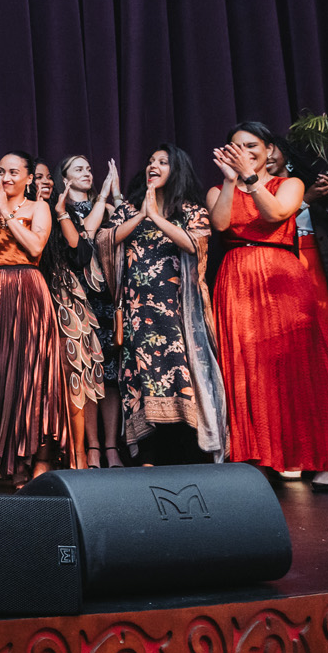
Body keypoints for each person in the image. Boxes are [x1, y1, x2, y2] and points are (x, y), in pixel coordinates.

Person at [207, 121, 328, 482]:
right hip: (237, 273)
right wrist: (232, 180)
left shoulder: (290, 184)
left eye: (252, 145)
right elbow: (221, 222)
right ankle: (262, 456)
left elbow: (276, 213)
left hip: (282, 273)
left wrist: (251, 178)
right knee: (248, 366)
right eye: (236, 146)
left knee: (297, 365)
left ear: (269, 149)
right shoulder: (217, 189)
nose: (244, 151)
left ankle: (320, 457)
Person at [111, 147, 230, 461]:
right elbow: (104, 241)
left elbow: (195, 244)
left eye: (162, 162)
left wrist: (156, 219)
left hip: (176, 310)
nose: (153, 165)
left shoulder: (190, 210)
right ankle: (148, 453)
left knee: (179, 372)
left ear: (176, 169)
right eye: (150, 161)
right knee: (140, 376)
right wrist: (141, 214)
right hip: (138, 310)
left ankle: (186, 451)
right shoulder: (128, 209)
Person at [0, 152, 74, 483]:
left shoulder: (38, 207)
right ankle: (9, 458)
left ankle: (40, 457)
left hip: (27, 289)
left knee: (31, 372)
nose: (6, 177)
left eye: (14, 172)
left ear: (29, 178)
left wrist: (7, 216)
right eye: (1, 171)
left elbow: (35, 248)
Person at [36, 163, 103, 465]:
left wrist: (61, 211)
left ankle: (79, 453)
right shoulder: (20, 212)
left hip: (65, 295)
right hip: (33, 295)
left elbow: (80, 253)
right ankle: (42, 456)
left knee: (74, 371)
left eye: (48, 176)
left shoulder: (60, 211)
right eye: (38, 177)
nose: (45, 181)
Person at [62, 155, 126, 465]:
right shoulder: (60, 210)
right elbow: (83, 236)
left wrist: (113, 196)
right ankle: (92, 446)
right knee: (87, 372)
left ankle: (112, 445)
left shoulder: (110, 210)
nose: (87, 172)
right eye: (79, 169)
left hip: (107, 296)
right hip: (77, 298)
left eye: (89, 168)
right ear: (65, 178)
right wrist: (101, 197)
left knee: (111, 375)